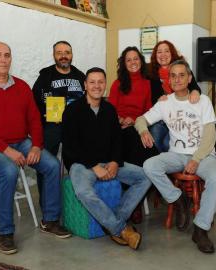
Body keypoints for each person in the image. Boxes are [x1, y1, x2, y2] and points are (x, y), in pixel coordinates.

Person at [0, 42, 71, 255]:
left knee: (52, 165)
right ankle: (5, 233)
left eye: (7, 55)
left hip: (21, 141)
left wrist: (36, 146)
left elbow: (34, 120)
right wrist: (6, 150)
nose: (3, 60)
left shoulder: (21, 86)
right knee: (9, 171)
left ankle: (50, 221)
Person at [136, 60, 216, 253]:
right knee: (149, 165)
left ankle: (201, 229)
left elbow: (211, 135)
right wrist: (143, 130)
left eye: (181, 75)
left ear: (189, 78)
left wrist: (196, 159)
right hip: (176, 154)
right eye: (173, 75)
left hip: (203, 155)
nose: (177, 79)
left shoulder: (202, 101)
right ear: (169, 80)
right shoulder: (165, 102)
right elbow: (140, 119)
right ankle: (178, 199)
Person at [62, 67, 152, 250]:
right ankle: (120, 229)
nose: (97, 86)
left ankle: (112, 221)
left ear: (105, 85)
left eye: (100, 82)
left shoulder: (110, 110)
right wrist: (94, 166)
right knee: (83, 191)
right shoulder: (72, 111)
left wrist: (114, 162)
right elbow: (71, 146)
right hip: (82, 164)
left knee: (146, 176)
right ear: (85, 85)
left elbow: (117, 141)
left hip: (108, 161)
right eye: (92, 82)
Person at [108, 46, 159, 224]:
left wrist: (135, 119)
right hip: (119, 127)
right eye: (128, 60)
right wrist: (122, 119)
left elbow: (148, 111)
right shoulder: (117, 83)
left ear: (140, 60)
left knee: (153, 154)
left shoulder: (146, 83)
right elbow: (110, 110)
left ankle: (135, 198)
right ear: (124, 63)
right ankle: (134, 203)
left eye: (135, 58)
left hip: (137, 125)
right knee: (130, 144)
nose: (132, 62)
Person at [32, 40, 85, 157]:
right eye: (59, 53)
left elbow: (88, 99)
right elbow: (34, 99)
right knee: (46, 155)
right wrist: (44, 114)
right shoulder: (45, 75)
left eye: (67, 52)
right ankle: (47, 173)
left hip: (77, 124)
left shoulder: (80, 76)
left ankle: (79, 171)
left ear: (72, 55)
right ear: (54, 56)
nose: (63, 56)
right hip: (53, 124)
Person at [149, 40, 202, 152]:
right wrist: (158, 100)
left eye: (166, 51)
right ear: (155, 55)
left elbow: (195, 87)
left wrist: (195, 92)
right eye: (159, 52)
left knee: (167, 144)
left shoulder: (182, 68)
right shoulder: (151, 74)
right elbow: (152, 99)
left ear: (172, 53)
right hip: (162, 118)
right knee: (154, 139)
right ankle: (160, 165)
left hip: (179, 117)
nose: (163, 55)